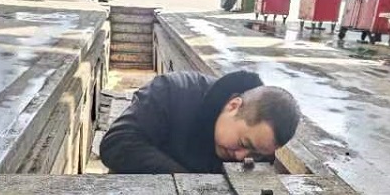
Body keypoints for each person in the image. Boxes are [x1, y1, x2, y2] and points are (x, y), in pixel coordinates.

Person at [100, 70, 301, 174]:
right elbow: (116, 143)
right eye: (243, 143)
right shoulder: (171, 92)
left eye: (255, 154)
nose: (242, 157)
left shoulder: (261, 146)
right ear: (233, 106)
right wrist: (188, 182)